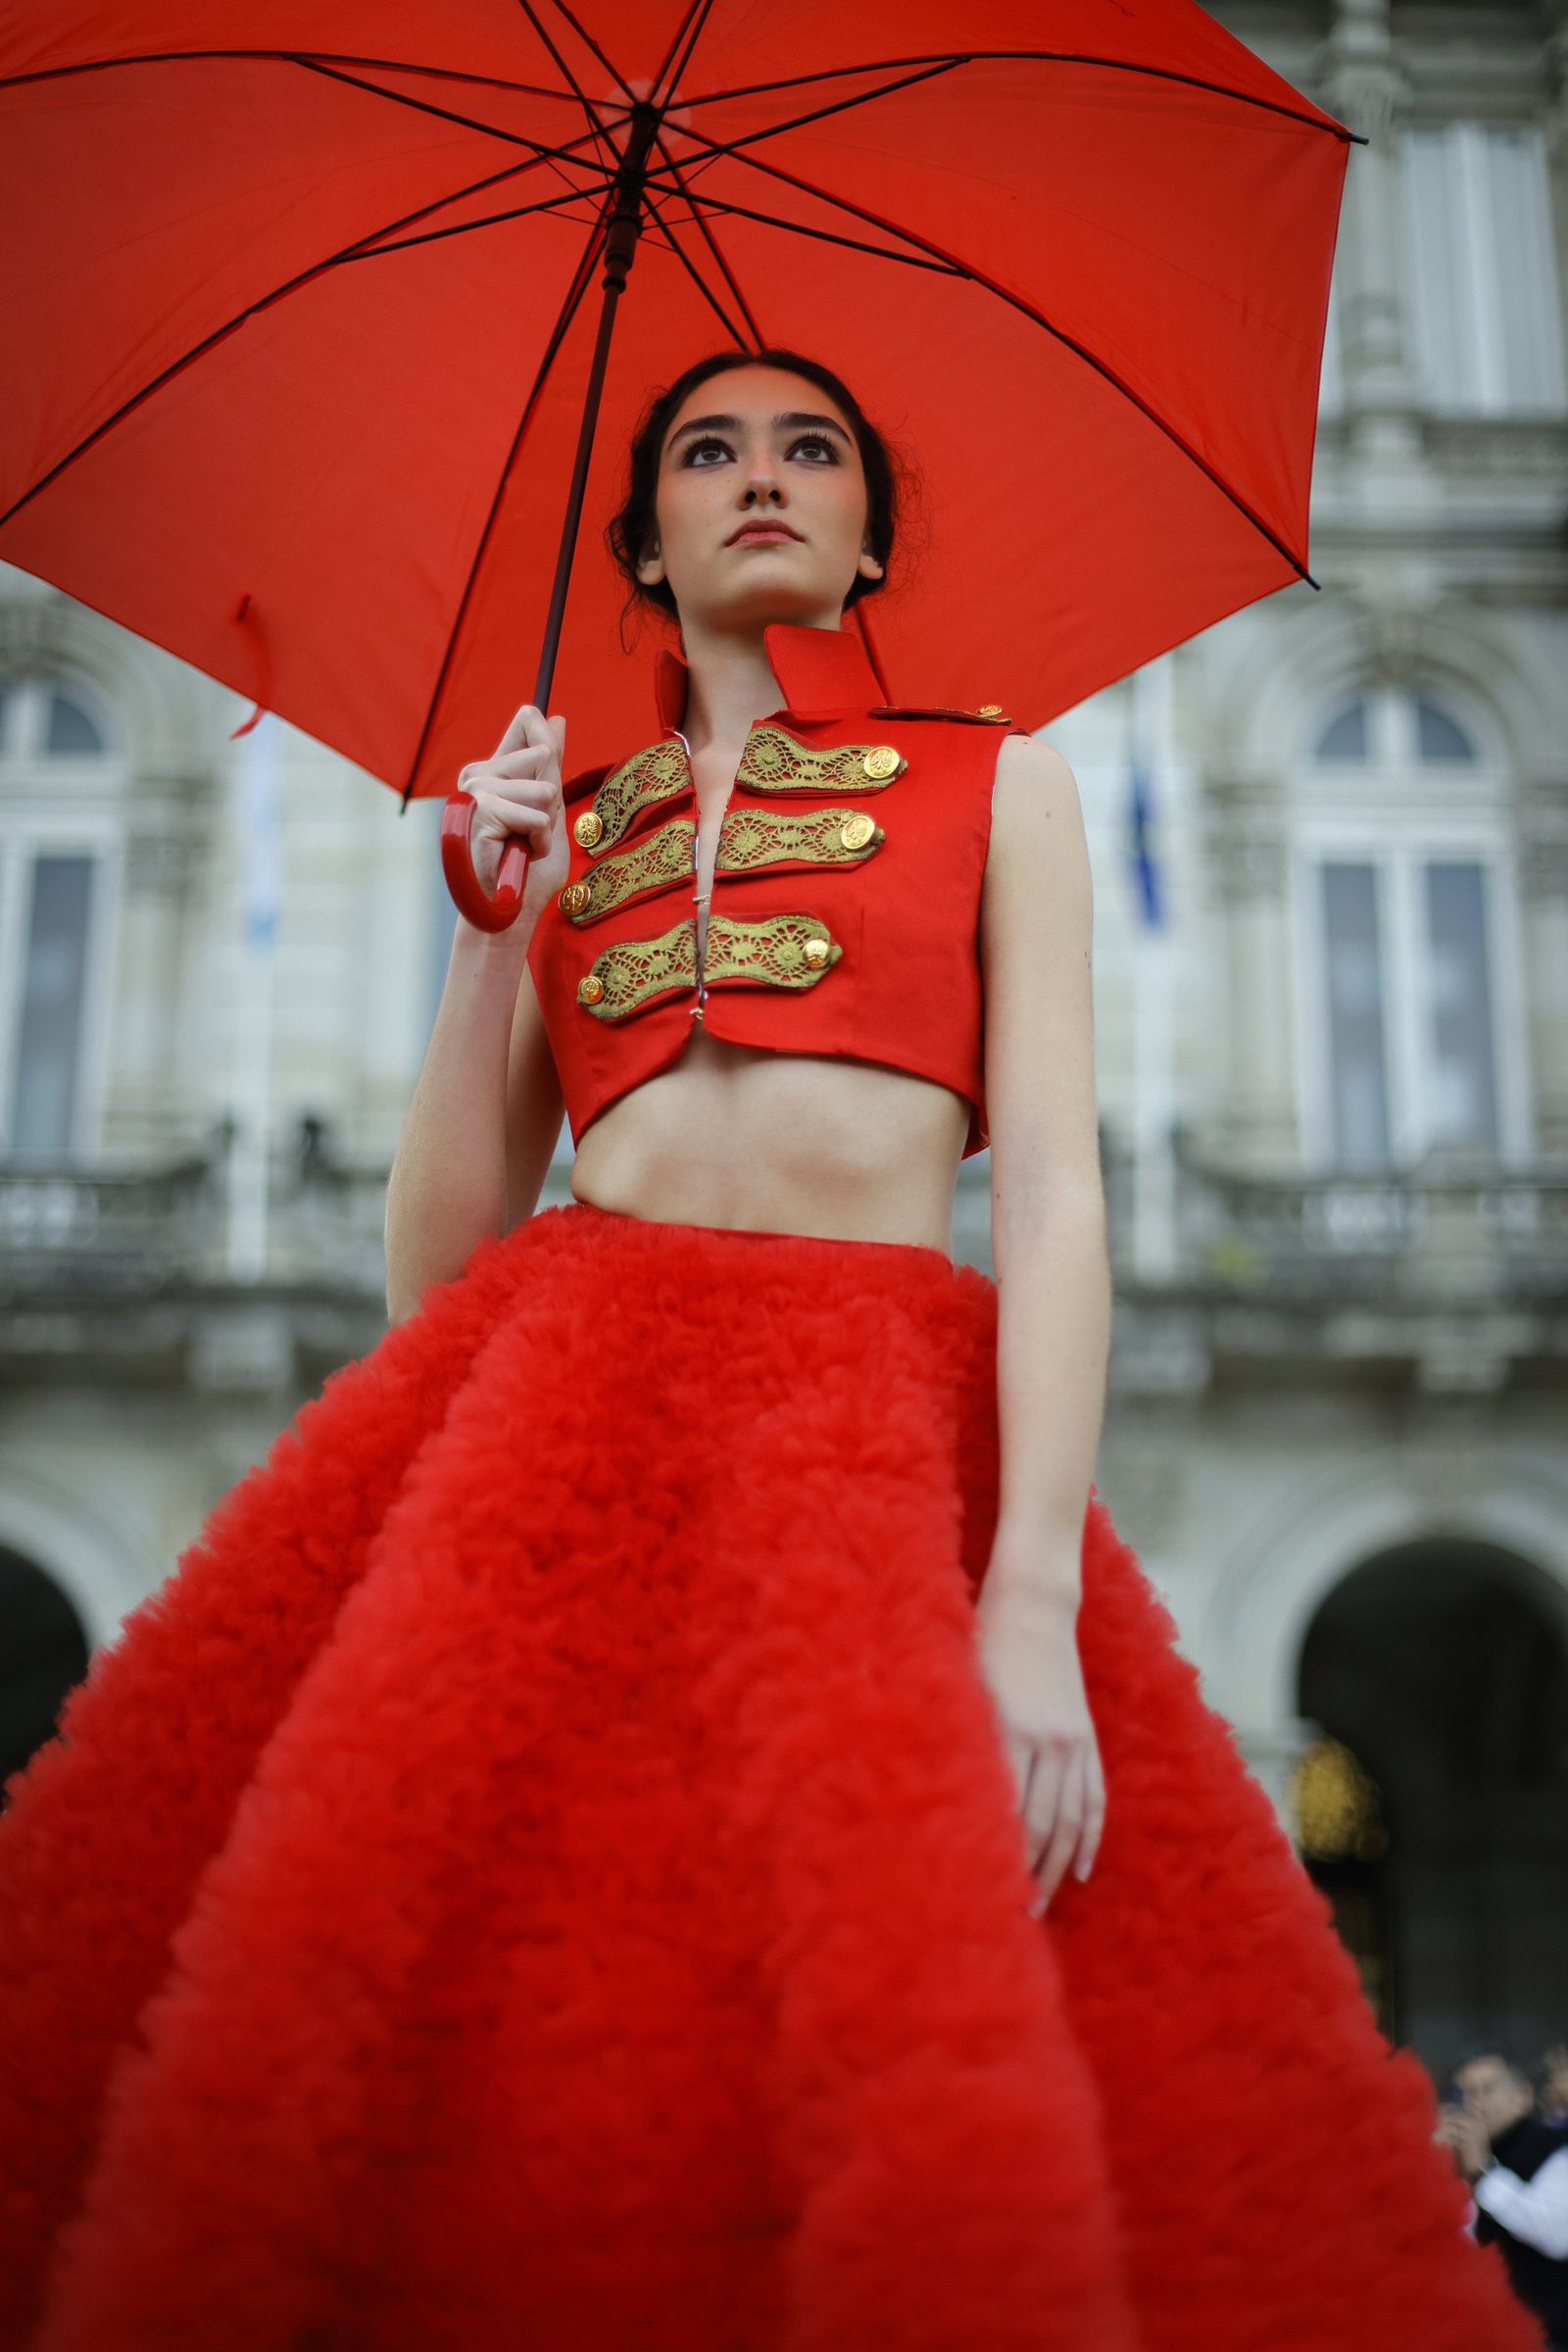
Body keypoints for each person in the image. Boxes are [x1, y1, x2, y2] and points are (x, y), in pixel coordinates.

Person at [0, 349, 1542, 2352]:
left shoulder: (1004, 782)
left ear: (869, 530)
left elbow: (1058, 1191)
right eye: (703, 452)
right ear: (639, 538)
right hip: (571, 1409)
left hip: (866, 1417)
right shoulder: (576, 825)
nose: (757, 476)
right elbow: (437, 1281)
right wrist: (488, 927)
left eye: (807, 448)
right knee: (533, 1983)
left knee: (886, 1970)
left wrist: (1027, 1590)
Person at [1442, 2048, 1568, 2349]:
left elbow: (1557, 2234)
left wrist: (1483, 2173)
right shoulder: (1470, 2154)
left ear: (1521, 2096)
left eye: (1486, 2090)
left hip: (1548, 2335)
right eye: (1465, 2093)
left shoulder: (1555, 2149)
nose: (1474, 2102)